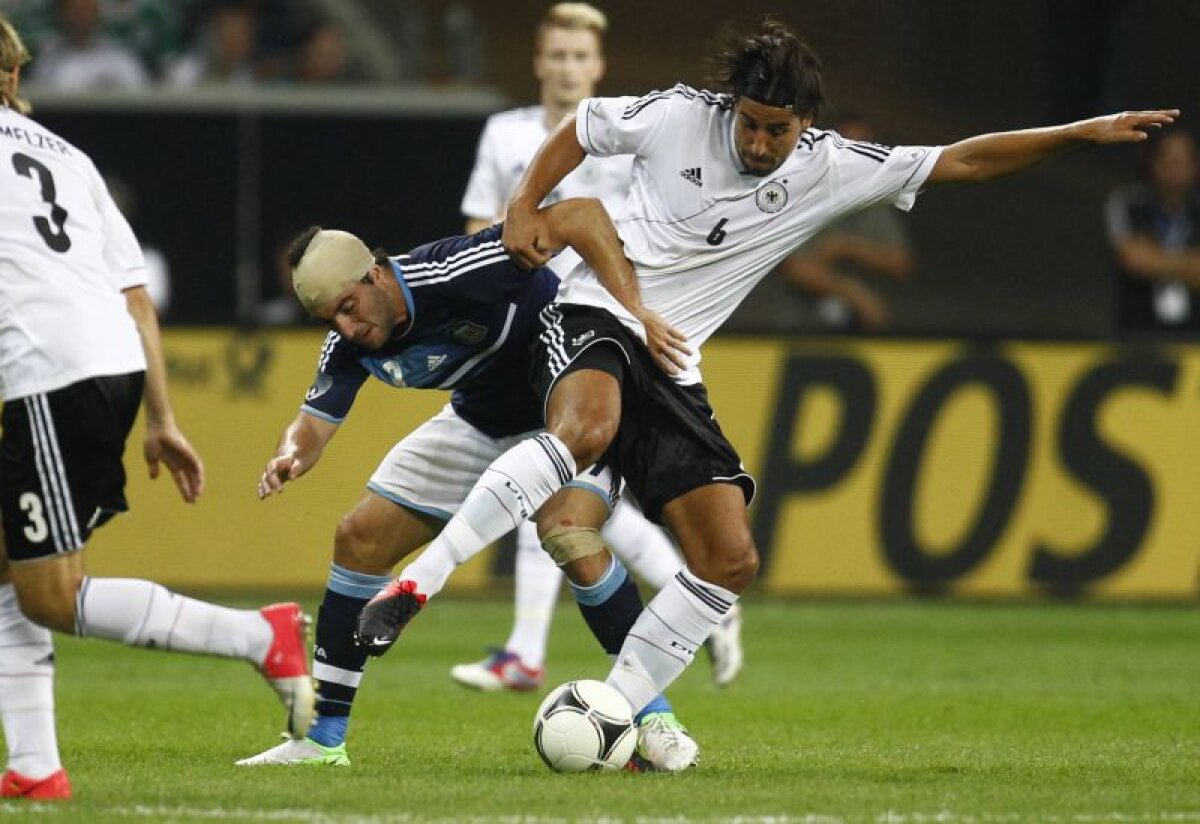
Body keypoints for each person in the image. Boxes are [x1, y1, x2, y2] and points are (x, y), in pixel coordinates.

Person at [358, 17, 1178, 765]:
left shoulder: (832, 169)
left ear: (804, 126)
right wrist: (522, 201)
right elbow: (581, 127)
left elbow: (963, 158)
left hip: (674, 362)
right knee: (589, 427)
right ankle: (418, 582)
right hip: (598, 310)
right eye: (748, 121)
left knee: (729, 558)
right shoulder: (680, 113)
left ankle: (625, 712)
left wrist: (1077, 132)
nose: (756, 140)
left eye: (775, 129)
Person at [236, 206, 700, 771]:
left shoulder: (468, 268)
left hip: (570, 414)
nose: (347, 328)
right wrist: (290, 453)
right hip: (478, 422)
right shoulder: (351, 343)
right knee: (358, 538)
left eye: (349, 308)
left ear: (375, 274)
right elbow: (313, 424)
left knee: (568, 532)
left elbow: (577, 219)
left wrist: (637, 312)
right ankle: (321, 738)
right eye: (331, 320)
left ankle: (655, 717)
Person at [0, 15, 312, 801]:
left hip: (44, 369)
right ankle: (36, 769)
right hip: (106, 361)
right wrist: (162, 416)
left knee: (48, 591)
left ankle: (258, 635)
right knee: (8, 567)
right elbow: (138, 299)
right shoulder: (69, 158)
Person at [453, 1, 742, 695]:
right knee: (576, 492)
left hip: (607, 330)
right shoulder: (505, 134)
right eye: (557, 55)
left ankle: (528, 652)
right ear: (538, 61)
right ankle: (705, 598)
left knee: (551, 480)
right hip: (531, 326)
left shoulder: (626, 132)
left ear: (598, 66)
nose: (567, 67)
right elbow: (476, 228)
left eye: (580, 57)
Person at [731, 112, 915, 333]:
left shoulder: (874, 203)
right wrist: (857, 296)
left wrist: (848, 247)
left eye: (866, 150)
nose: (858, 160)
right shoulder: (798, 192)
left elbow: (900, 263)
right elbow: (795, 268)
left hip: (858, 332)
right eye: (851, 150)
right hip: (791, 330)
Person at [1105, 129, 1200, 333]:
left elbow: (1147, 260)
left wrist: (1157, 260)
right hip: (1138, 332)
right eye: (1168, 159)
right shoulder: (1130, 203)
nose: (1175, 168)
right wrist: (1189, 265)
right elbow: (1133, 258)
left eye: (1182, 160)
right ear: (1152, 163)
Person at [26, 0, 149, 90]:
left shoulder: (120, 59)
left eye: (87, 9)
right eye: (76, 10)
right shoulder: (48, 62)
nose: (82, 16)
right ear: (62, 13)